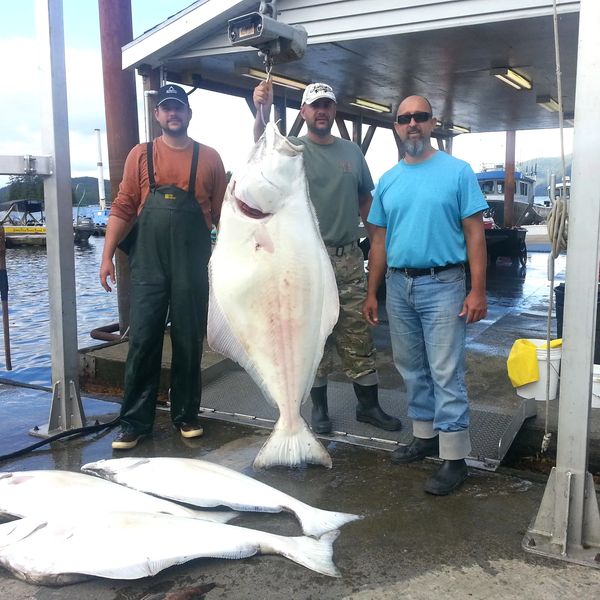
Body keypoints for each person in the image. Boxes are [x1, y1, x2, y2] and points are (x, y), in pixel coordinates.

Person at [253, 80, 401, 435]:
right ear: (303, 112)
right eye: (314, 106)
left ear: (334, 112)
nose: (321, 112)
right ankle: (318, 410)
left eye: (327, 106)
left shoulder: (352, 153)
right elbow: (262, 148)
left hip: (348, 256)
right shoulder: (292, 151)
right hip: (304, 260)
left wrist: (380, 244)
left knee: (357, 330)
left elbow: (367, 203)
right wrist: (260, 112)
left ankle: (369, 406)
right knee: (312, 334)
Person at [363, 95, 488, 495]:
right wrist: (372, 292)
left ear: (433, 123)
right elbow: (379, 242)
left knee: (446, 372)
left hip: (444, 284)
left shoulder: (457, 172)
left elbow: (474, 233)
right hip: (398, 286)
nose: (412, 124)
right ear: (396, 127)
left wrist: (478, 289)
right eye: (404, 118)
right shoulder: (388, 180)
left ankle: (454, 458)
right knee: (410, 367)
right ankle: (424, 435)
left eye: (420, 117)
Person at [100, 84, 227, 450]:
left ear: (188, 114)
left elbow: (223, 217)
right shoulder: (140, 155)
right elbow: (123, 207)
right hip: (149, 263)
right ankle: (135, 422)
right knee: (143, 339)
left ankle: (186, 414)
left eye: (179, 108)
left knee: (189, 339)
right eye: (166, 109)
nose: (173, 114)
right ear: (157, 115)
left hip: (193, 260)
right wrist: (107, 256)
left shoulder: (210, 158)